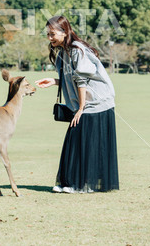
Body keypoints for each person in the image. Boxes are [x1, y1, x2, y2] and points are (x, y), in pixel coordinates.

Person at [35, 15, 119, 194]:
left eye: (52, 34)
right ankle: (72, 183)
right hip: (88, 104)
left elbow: (81, 80)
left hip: (96, 103)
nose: (49, 38)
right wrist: (55, 81)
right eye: (48, 34)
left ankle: (80, 185)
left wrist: (81, 109)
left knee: (79, 141)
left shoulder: (76, 50)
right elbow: (71, 78)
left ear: (64, 32)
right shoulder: (64, 51)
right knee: (77, 143)